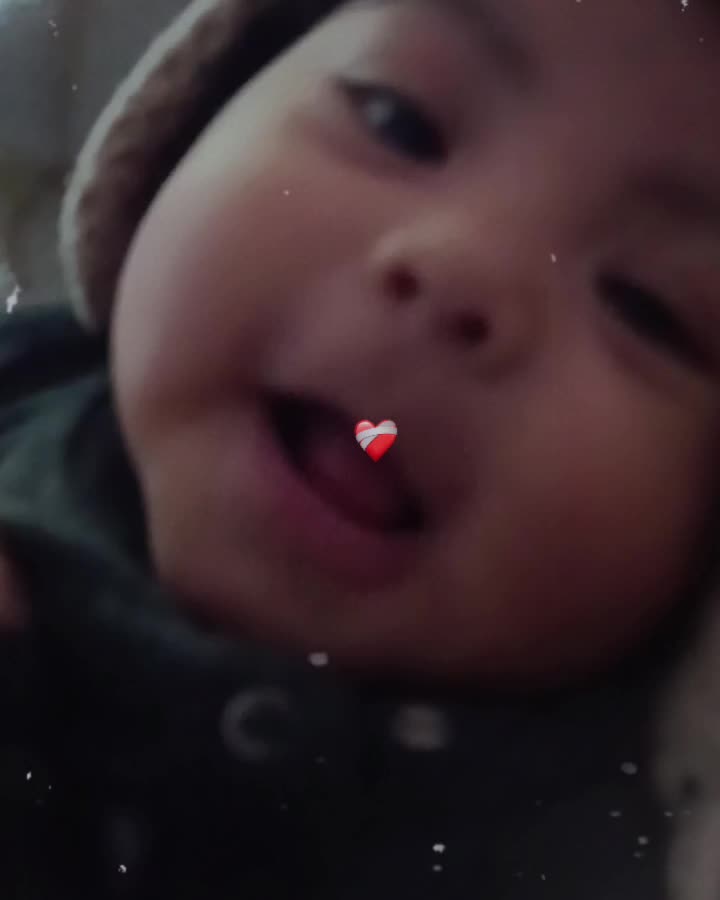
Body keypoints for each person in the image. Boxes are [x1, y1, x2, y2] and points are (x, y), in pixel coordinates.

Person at [1, 0, 719, 897]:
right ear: (202, 116)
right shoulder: (30, 374)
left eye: (646, 308)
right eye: (399, 121)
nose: (460, 266)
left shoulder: (592, 848)